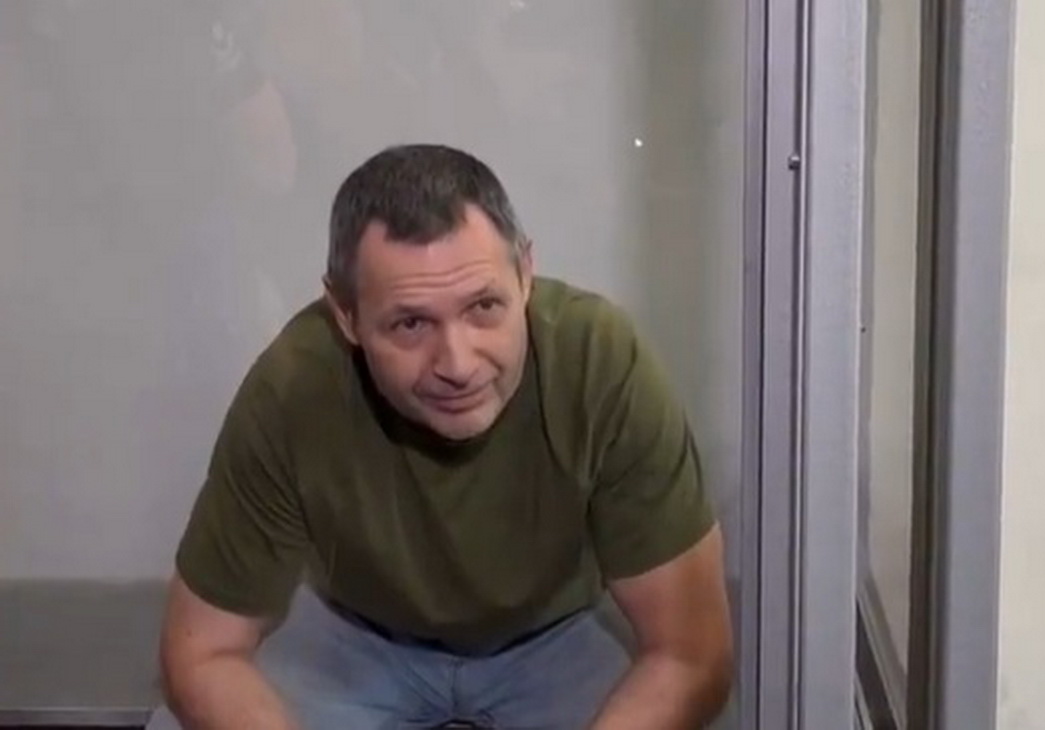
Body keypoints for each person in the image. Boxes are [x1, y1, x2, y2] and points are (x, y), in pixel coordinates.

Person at [149, 144, 733, 729]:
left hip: (557, 636)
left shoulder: (600, 361)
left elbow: (690, 654)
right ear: (346, 316)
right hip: (355, 635)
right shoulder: (293, 386)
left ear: (525, 275)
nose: (457, 364)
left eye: (484, 306)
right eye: (411, 323)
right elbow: (202, 653)